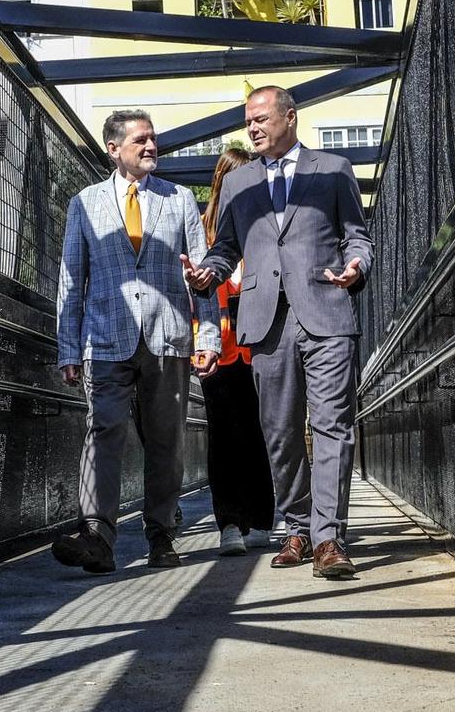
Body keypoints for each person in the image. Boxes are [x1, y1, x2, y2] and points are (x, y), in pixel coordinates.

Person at [186, 87, 372, 580]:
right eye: (248, 121)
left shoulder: (332, 170)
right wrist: (208, 272)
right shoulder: (239, 181)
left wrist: (357, 265)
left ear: (290, 118)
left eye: (262, 118)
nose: (253, 128)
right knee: (281, 429)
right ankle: (296, 526)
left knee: (332, 423)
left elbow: (357, 235)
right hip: (265, 319)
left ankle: (329, 537)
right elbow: (225, 247)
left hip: (326, 310)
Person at [53, 110, 219, 574]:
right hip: (104, 339)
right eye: (141, 141)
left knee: (166, 440)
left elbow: (200, 276)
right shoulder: (83, 203)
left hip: (167, 339)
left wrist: (207, 335)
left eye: (154, 140)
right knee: (102, 431)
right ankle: (97, 538)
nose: (151, 148)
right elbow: (71, 280)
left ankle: (161, 536)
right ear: (113, 148)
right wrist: (68, 347)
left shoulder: (180, 199)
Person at [196, 146, 276, 555]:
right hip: (221, 349)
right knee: (224, 435)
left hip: (261, 346)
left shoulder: (267, 226)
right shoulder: (205, 232)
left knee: (262, 432)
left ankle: (262, 518)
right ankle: (229, 522)